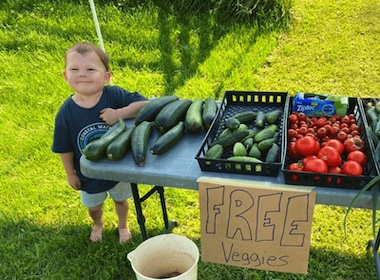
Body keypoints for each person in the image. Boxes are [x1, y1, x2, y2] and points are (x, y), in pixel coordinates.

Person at [52, 42, 148, 243]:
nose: (82, 74)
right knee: (93, 207)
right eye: (75, 69)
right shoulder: (65, 113)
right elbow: (65, 148)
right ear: (65, 76)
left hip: (119, 168)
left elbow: (145, 105)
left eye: (90, 69)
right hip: (88, 173)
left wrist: (119, 113)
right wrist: (70, 174)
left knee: (121, 201)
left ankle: (123, 225)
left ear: (106, 77)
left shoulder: (114, 95)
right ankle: (98, 223)